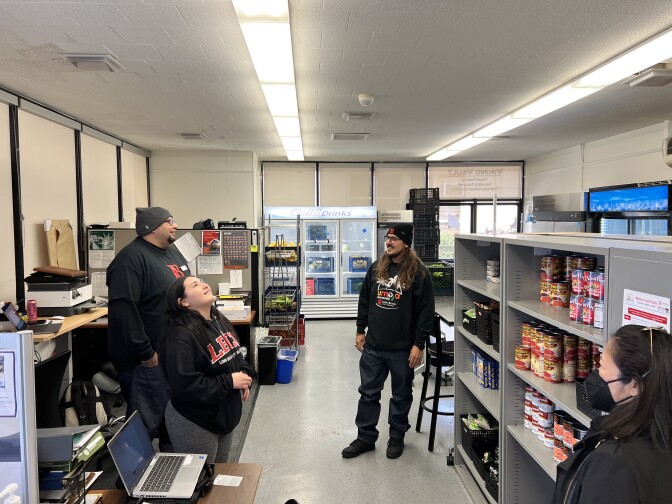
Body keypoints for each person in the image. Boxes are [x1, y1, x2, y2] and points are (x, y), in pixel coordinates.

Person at [342, 223, 435, 460]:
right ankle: (365, 438)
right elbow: (365, 300)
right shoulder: (376, 268)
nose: (389, 241)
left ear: (406, 243)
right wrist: (359, 329)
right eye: (388, 237)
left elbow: (426, 313)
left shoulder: (419, 273)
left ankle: (396, 436)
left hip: (402, 350)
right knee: (368, 394)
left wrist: (418, 344)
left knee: (401, 396)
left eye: (394, 238)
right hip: (374, 346)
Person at [552, 324, 672, 503]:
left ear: (634, 385)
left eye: (602, 366)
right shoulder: (661, 432)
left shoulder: (614, 463)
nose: (597, 374)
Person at [106, 207, 190, 441]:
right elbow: (124, 312)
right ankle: (131, 474)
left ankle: (172, 469)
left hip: (172, 355)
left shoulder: (173, 254)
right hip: (144, 362)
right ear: (151, 227)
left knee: (171, 422)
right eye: (169, 221)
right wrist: (146, 352)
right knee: (144, 425)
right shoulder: (130, 260)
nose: (175, 226)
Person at [161, 276, 254, 462]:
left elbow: (236, 354)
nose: (204, 284)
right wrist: (230, 382)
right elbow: (187, 387)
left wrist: (243, 373)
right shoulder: (180, 336)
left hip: (224, 415)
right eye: (195, 284)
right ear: (183, 302)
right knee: (200, 481)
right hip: (196, 421)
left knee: (218, 475)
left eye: (202, 281)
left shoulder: (218, 319)